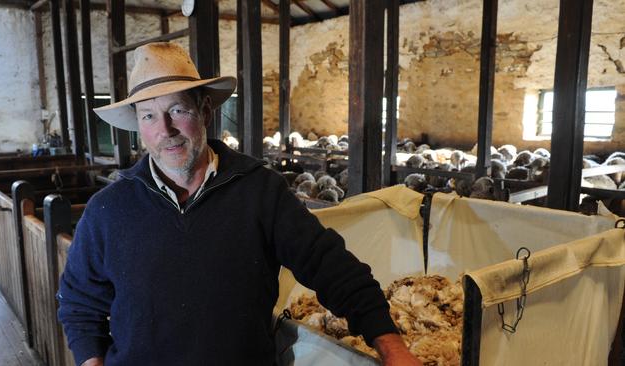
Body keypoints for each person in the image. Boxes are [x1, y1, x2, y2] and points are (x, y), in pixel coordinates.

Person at [57, 42, 421, 366]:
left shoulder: (261, 192)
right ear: (138, 125)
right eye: (149, 116)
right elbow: (79, 304)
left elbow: (333, 269)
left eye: (178, 110)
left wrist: (392, 347)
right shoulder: (108, 210)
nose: (164, 130)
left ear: (205, 112)